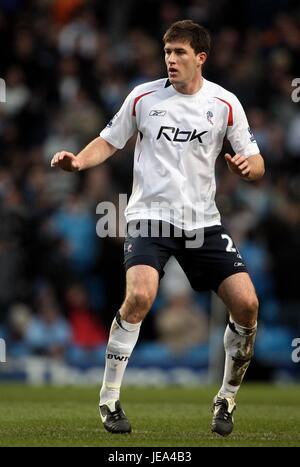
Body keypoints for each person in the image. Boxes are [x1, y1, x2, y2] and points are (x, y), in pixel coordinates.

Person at [51, 20, 265, 437]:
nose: (171, 59)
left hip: (202, 221)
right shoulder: (143, 98)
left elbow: (256, 160)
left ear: (200, 57)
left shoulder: (225, 103)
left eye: (180, 52)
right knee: (140, 295)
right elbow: (109, 140)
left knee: (248, 304)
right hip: (150, 217)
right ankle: (109, 398)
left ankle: (226, 398)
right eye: (167, 52)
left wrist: (247, 168)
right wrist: (78, 161)